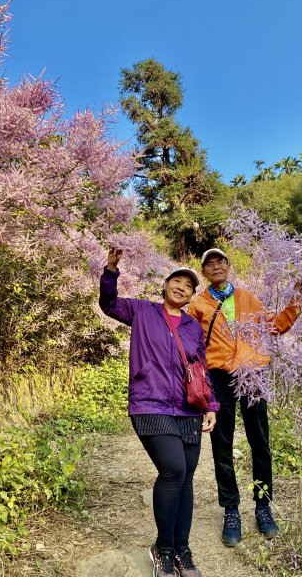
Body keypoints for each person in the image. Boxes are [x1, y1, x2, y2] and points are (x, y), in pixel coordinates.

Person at [99, 247, 219, 577]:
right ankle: (163, 549)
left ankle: (182, 548)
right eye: (177, 281)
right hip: (150, 404)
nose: (182, 287)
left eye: (188, 285)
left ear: (192, 294)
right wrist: (111, 271)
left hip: (188, 410)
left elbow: (202, 368)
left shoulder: (194, 327)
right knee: (173, 470)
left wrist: (212, 406)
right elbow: (108, 303)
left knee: (187, 477)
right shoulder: (142, 311)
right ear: (165, 285)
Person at [188, 248, 302, 547]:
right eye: (209, 264)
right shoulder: (198, 304)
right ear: (204, 272)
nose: (215, 267)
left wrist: (297, 302)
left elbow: (274, 326)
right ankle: (231, 510)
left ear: (228, 266)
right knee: (222, 444)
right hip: (219, 377)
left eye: (220, 262)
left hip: (252, 373)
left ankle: (263, 505)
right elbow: (192, 346)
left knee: (259, 441)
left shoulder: (246, 297)